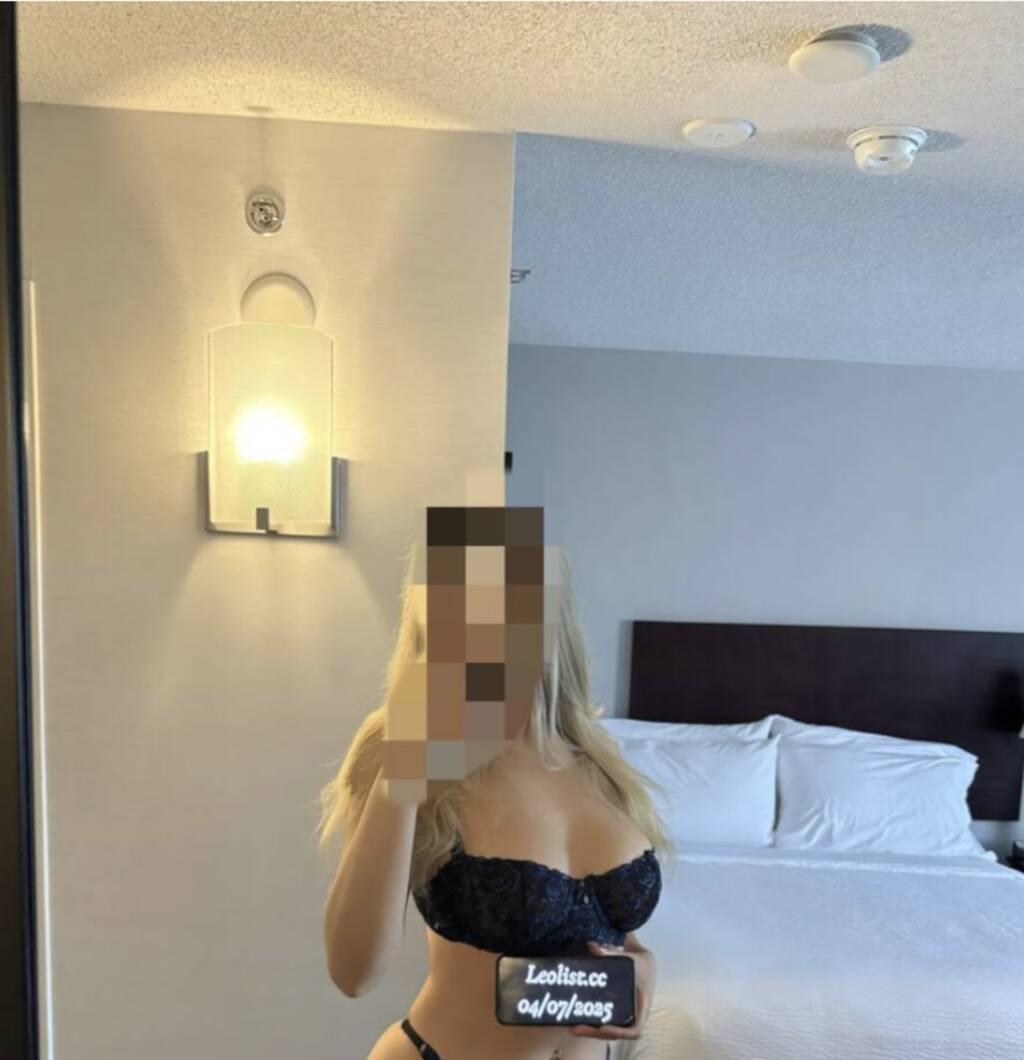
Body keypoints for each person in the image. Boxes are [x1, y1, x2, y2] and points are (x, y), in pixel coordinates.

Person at [318, 507, 670, 1060]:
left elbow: (604, 927)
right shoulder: (398, 742)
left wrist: (643, 966)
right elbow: (352, 972)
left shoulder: (596, 754)